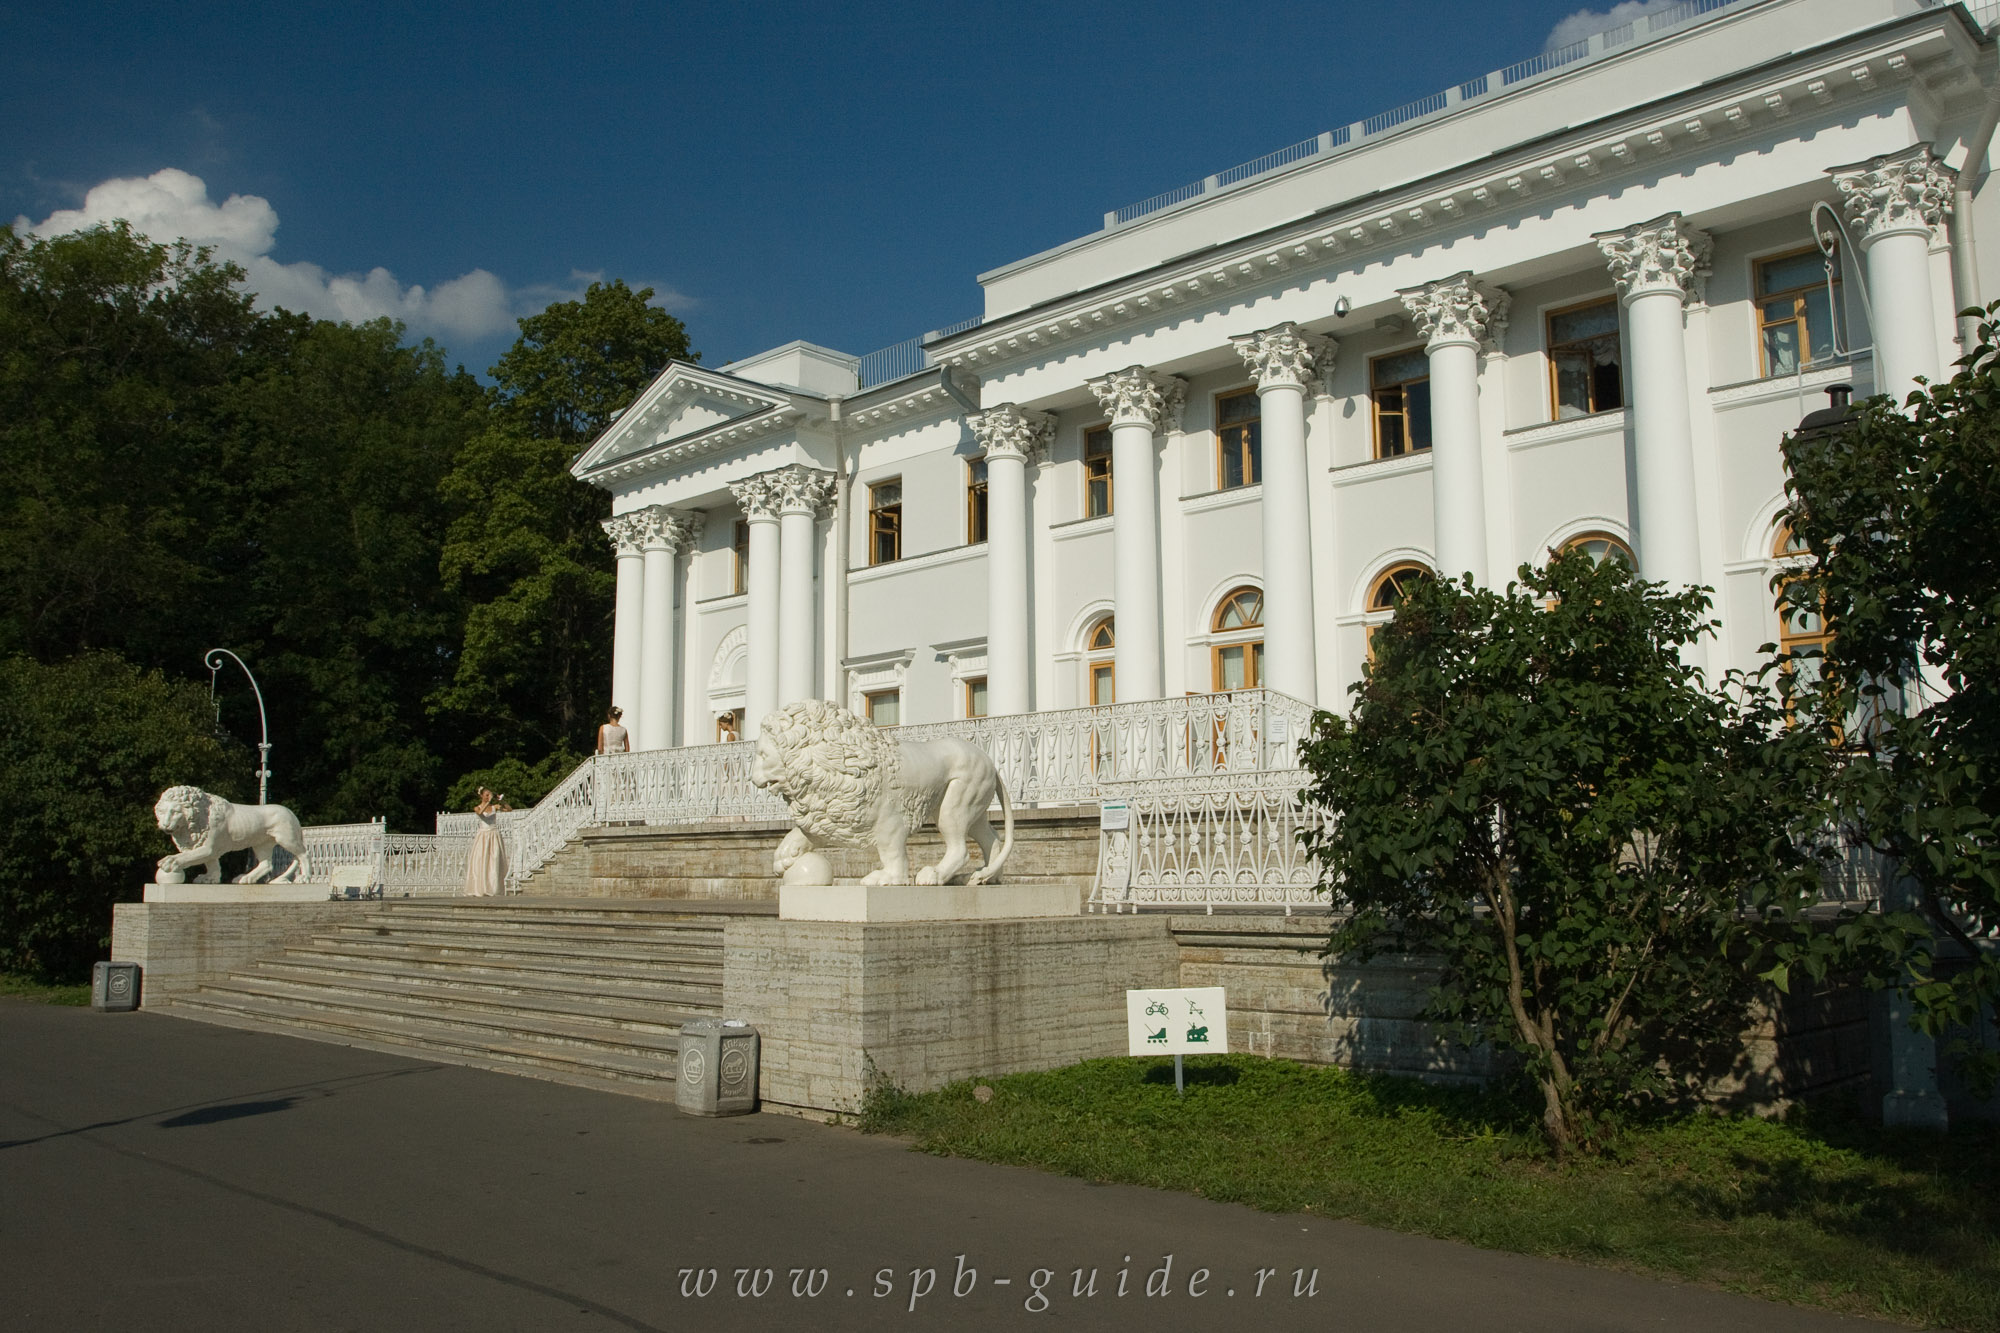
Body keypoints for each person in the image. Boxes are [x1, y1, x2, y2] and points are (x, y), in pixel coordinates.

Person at [460, 786, 511, 897]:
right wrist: (488, 802)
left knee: (494, 859)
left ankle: (494, 887)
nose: (488, 797)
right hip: (483, 835)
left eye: (490, 795)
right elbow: (480, 813)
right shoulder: (477, 808)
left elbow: (509, 809)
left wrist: (502, 800)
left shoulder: (494, 807)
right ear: (481, 796)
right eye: (486, 795)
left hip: (493, 834)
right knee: (481, 860)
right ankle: (480, 887)